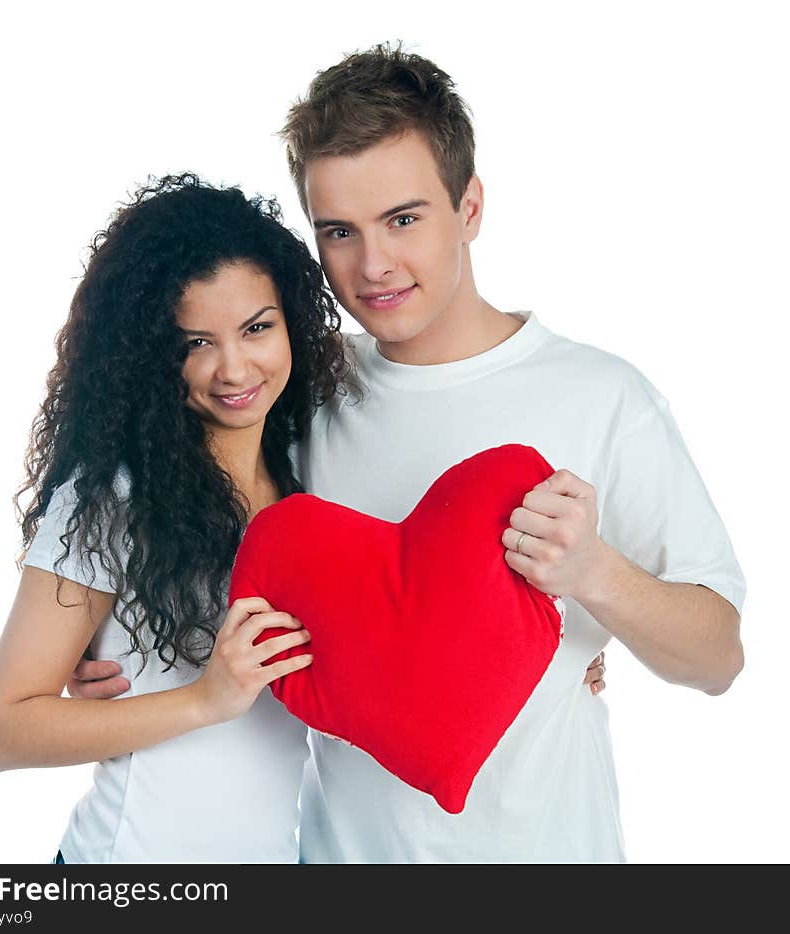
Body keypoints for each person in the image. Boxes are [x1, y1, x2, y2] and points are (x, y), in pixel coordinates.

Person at [273, 43, 746, 862]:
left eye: (404, 219)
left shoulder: (603, 396)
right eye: (339, 231)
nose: (373, 264)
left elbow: (718, 658)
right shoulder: (297, 392)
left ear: (471, 209)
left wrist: (596, 575)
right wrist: (119, 664)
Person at [0, 174, 346, 863]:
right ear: (151, 356)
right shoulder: (110, 499)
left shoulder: (314, 469)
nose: (234, 367)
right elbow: (2, 731)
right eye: (194, 343)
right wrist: (206, 699)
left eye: (257, 328)